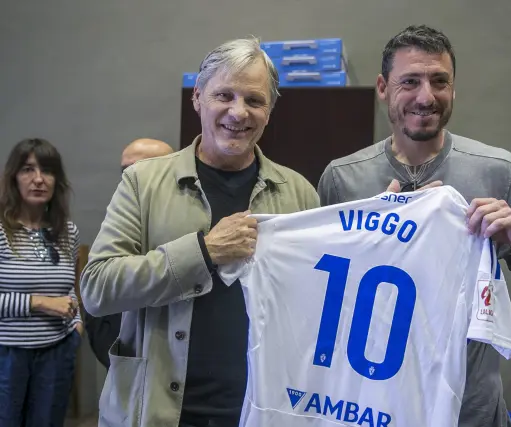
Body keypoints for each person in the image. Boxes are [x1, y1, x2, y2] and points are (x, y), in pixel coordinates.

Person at [317, 25, 511, 427]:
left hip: (470, 410)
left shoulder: (498, 170)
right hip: (372, 406)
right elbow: (322, 302)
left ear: (454, 89)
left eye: (439, 82)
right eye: (410, 82)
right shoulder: (343, 179)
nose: (425, 97)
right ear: (383, 87)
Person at [80, 37, 320, 427]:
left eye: (255, 100)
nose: (238, 112)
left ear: (270, 110)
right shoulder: (144, 183)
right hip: (156, 412)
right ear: (197, 98)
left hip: (259, 411)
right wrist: (204, 252)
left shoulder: (299, 193)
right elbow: (97, 288)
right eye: (224, 95)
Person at [0, 138, 83, 427]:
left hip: (57, 352)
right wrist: (38, 302)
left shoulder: (66, 231)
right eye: (27, 170)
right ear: (13, 178)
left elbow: (69, 287)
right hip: (7, 355)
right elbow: (50, 299)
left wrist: (77, 326)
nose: (38, 179)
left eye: (47, 171)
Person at [83, 138, 174, 369]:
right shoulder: (117, 224)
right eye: (127, 171)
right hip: (121, 353)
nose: (133, 179)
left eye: (146, 169)